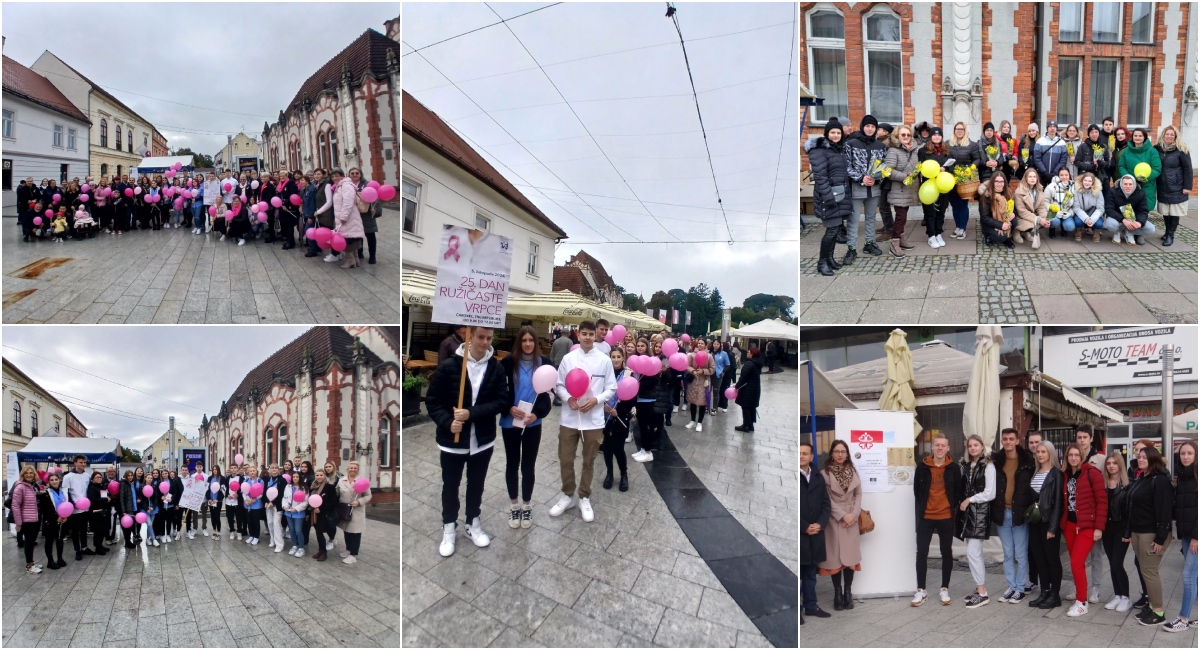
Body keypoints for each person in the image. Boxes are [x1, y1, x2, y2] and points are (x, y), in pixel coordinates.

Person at [426, 326, 508, 556]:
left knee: (476, 484)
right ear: (469, 337)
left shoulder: (495, 368)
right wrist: (447, 421)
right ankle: (449, 526)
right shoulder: (450, 367)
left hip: (482, 440)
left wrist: (471, 413)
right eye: (480, 337)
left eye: (489, 338)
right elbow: (433, 402)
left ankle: (473, 522)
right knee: (450, 485)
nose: (485, 342)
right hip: (452, 441)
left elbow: (501, 400)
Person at [551, 320, 617, 523]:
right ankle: (567, 494)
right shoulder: (568, 359)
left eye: (591, 334)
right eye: (584, 334)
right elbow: (558, 384)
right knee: (565, 458)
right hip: (570, 418)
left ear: (596, 335)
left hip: (594, 419)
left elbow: (611, 388)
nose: (588, 337)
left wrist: (596, 399)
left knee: (589, 461)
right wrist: (567, 398)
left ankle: (584, 496)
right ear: (578, 335)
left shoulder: (604, 360)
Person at [499, 326, 553, 526]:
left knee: (528, 466)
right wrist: (509, 408)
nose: (528, 344)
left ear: (536, 342)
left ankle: (527, 505)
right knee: (512, 464)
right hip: (510, 422)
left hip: (532, 423)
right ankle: (514, 506)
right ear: (519, 342)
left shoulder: (544, 363)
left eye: (531, 340)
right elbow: (499, 392)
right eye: (524, 340)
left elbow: (548, 395)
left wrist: (537, 414)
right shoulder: (507, 363)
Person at [1125, 445, 1175, 626]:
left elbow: (1165, 510)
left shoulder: (1159, 480)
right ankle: (1152, 606)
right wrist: (1129, 531)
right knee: (1145, 571)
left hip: (1151, 533)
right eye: (1139, 456)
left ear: (1153, 459)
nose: (1140, 459)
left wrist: (1160, 538)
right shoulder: (1142, 478)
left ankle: (1159, 612)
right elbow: (1132, 507)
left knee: (1149, 572)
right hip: (1138, 532)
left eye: (1144, 457)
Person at [912, 434, 962, 607]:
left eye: (943, 446)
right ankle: (921, 590)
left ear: (948, 449)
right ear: (932, 447)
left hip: (946, 517)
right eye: (937, 445)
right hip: (926, 516)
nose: (940, 448)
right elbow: (917, 492)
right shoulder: (922, 467)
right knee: (922, 553)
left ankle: (944, 589)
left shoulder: (954, 469)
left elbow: (958, 491)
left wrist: (950, 507)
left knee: (946, 553)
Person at [1060, 443, 1108, 617]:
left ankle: (1082, 602)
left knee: (1076, 563)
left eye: (1076, 455)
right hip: (1070, 526)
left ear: (1082, 456)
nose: (1073, 458)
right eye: (1070, 455)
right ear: (1067, 457)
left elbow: (1102, 501)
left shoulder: (1092, 474)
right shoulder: (1064, 475)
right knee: (1075, 563)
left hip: (1087, 526)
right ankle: (1079, 594)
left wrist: (1099, 528)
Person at [990, 428, 1034, 604]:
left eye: (1011, 439)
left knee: (1021, 554)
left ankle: (1021, 588)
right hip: (1002, 512)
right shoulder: (996, 461)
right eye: (1005, 439)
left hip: (1020, 513)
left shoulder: (1028, 460)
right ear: (1002, 441)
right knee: (1007, 553)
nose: (1007, 442)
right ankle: (1011, 586)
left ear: (1017, 441)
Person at [819, 440, 862, 611]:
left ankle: (848, 592)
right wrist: (842, 515)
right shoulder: (824, 474)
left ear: (847, 454)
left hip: (851, 519)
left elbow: (858, 494)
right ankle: (837, 593)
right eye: (836, 451)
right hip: (834, 519)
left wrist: (853, 515)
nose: (840, 454)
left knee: (850, 558)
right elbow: (826, 498)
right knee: (836, 557)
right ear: (831, 453)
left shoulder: (853, 471)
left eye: (843, 451)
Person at [806, 117, 853, 276]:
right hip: (829, 197)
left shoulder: (838, 149)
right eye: (832, 132)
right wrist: (828, 198)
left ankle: (829, 259)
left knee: (836, 229)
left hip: (839, 196)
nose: (835, 135)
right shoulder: (819, 150)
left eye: (838, 132)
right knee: (831, 230)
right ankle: (822, 262)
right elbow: (820, 177)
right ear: (826, 133)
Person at [956, 434, 996, 609]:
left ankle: (982, 593)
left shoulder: (988, 465)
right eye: (970, 445)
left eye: (976, 445)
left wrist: (970, 500)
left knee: (973, 552)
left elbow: (990, 493)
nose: (972, 448)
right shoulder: (965, 465)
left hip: (979, 513)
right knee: (974, 552)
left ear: (982, 446)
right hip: (967, 514)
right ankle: (979, 588)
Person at [842, 114, 887, 262]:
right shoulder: (851, 144)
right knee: (854, 219)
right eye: (867, 126)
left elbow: (884, 167)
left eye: (873, 126)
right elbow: (846, 166)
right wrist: (861, 177)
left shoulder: (880, 146)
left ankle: (869, 243)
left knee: (871, 217)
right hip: (856, 188)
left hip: (873, 188)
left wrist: (877, 177)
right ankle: (851, 248)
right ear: (862, 127)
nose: (870, 129)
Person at [1164, 441, 1197, 632]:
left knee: (1188, 575)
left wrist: (1196, 536)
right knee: (1195, 576)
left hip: (1195, 536)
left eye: (1190, 453)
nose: (1185, 456)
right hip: (1186, 535)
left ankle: (1183, 619)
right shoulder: (1182, 477)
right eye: (1183, 453)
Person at [1026, 441, 1063, 609]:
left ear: (1050, 453)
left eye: (1043, 451)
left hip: (1048, 522)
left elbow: (1058, 503)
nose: (1040, 454)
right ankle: (1044, 591)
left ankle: (1055, 595)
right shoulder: (1035, 472)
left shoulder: (1056, 473)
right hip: (1035, 522)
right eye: (1038, 452)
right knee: (1039, 559)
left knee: (1052, 560)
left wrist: (1053, 528)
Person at [1074, 425, 1107, 603]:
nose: (1081, 440)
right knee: (1077, 556)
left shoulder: (1100, 460)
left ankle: (1095, 588)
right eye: (1079, 437)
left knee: (1095, 554)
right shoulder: (1072, 457)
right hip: (1077, 517)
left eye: (1085, 437)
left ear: (1091, 438)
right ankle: (1077, 586)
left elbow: (1103, 492)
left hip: (1093, 517)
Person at [800, 441, 831, 623]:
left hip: (816, 534)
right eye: (799, 453)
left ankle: (811, 606)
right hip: (801, 535)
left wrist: (820, 524)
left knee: (811, 574)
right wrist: (804, 526)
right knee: (798, 575)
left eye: (805, 453)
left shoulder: (818, 477)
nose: (802, 456)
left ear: (812, 456)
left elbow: (826, 505)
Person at [1102, 451, 1135, 613]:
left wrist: (1128, 533)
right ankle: (1118, 595)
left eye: (1114, 463)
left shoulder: (1127, 485)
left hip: (1121, 528)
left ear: (1120, 465)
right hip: (1107, 528)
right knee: (1111, 563)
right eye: (1108, 463)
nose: (1111, 466)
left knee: (1117, 563)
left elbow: (1130, 512)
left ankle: (1126, 597)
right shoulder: (1103, 483)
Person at [882, 125, 921, 257]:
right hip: (898, 189)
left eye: (908, 135)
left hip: (910, 188)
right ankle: (894, 242)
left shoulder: (914, 151)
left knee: (903, 216)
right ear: (897, 136)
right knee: (901, 217)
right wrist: (905, 177)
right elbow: (887, 171)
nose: (906, 137)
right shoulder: (893, 151)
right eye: (903, 135)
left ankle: (902, 239)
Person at [601, 347, 633, 491]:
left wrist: (618, 411)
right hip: (605, 417)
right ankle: (609, 474)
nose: (615, 359)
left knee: (618, 448)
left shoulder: (628, 374)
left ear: (623, 357)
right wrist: (602, 405)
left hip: (620, 417)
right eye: (613, 357)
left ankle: (623, 474)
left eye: (618, 356)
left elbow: (632, 397)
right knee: (607, 447)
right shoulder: (605, 373)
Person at [1154, 125, 1192, 247]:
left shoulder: (1181, 150)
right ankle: (1167, 231)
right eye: (1167, 134)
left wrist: (1187, 186)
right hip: (1162, 185)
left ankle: (1171, 234)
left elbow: (1188, 170)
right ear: (1163, 135)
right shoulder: (1157, 149)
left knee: (1174, 212)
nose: (1169, 136)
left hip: (1177, 186)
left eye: (1172, 134)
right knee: (1166, 211)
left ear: (1175, 136)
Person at [632, 338, 668, 462]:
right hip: (638, 397)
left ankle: (648, 451)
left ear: (647, 347)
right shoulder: (635, 360)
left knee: (645, 425)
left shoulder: (651, 361)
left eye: (642, 345)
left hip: (647, 398)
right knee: (641, 425)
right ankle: (642, 449)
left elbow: (654, 380)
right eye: (638, 345)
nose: (640, 347)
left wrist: (637, 384)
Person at [945, 121, 982, 240]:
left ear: (965, 131)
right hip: (950, 179)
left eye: (961, 129)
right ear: (954, 130)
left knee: (963, 204)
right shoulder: (947, 144)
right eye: (957, 129)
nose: (959, 131)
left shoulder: (972, 145)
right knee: (954, 205)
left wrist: (971, 168)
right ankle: (957, 228)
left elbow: (977, 159)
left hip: (964, 180)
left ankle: (963, 228)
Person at [918, 126, 952, 248]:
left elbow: (952, 166)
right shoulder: (923, 151)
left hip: (942, 185)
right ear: (930, 137)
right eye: (934, 135)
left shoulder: (946, 150)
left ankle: (939, 233)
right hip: (929, 186)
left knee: (941, 211)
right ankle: (931, 235)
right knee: (930, 212)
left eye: (939, 135)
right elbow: (920, 168)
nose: (936, 137)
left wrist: (946, 168)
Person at [1117, 127, 1163, 216]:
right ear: (1132, 137)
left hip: (1147, 185)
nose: (1137, 138)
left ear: (1145, 137)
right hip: (1130, 185)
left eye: (1140, 136)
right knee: (1128, 210)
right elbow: (1122, 166)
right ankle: (1128, 228)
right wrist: (1129, 179)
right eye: (1135, 136)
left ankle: (1141, 227)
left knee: (1144, 210)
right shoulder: (1126, 152)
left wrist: (1145, 178)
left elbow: (1157, 168)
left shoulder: (1152, 151)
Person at [335, 461, 372, 564]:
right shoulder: (342, 480)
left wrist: (359, 502)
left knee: (355, 532)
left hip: (356, 510)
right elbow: (337, 492)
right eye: (351, 468)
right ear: (347, 469)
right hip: (344, 509)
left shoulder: (362, 481)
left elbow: (368, 496)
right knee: (346, 530)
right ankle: (348, 549)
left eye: (355, 468)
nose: (353, 470)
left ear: (358, 470)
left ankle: (353, 554)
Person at [1106, 174, 1155, 246]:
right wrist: (1123, 219)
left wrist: (1139, 222)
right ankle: (1117, 232)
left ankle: (1129, 232)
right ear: (1121, 184)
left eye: (1130, 184)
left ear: (1134, 184)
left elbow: (1143, 211)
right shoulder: (1113, 191)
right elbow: (1109, 209)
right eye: (1125, 184)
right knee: (1110, 224)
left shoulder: (1141, 193)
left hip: (1133, 219)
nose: (1128, 186)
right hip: (1117, 219)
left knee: (1151, 229)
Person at [60, 455, 93, 562]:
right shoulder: (68, 477)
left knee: (84, 529)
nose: (83, 464)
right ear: (75, 463)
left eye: (84, 462)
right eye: (80, 462)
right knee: (75, 530)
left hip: (86, 507)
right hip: (74, 509)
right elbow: (66, 492)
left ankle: (84, 547)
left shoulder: (87, 476)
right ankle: (77, 550)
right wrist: (72, 503)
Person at [331, 168, 365, 269]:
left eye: (337, 176)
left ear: (342, 176)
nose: (334, 178)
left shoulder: (346, 185)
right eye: (333, 176)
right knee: (350, 238)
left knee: (348, 239)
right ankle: (355, 259)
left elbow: (348, 202)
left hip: (348, 217)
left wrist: (344, 216)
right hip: (346, 217)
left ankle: (350, 260)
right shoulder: (340, 186)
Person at [12, 466, 43, 573]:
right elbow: (15, 506)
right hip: (27, 520)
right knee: (29, 543)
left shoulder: (35, 486)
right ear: (23, 475)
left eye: (31, 473)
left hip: (36, 518)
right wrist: (18, 523)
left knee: (32, 541)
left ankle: (32, 562)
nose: (29, 475)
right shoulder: (20, 487)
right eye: (26, 473)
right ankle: (29, 566)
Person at [37, 472, 70, 569]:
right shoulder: (45, 493)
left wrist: (66, 516)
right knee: (49, 541)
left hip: (63, 520)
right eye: (52, 480)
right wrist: (56, 517)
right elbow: (44, 509)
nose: (54, 481)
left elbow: (68, 505)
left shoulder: (64, 491)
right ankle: (50, 561)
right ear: (48, 482)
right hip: (50, 521)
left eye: (56, 479)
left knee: (60, 540)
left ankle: (60, 558)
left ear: (59, 480)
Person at [976, 171, 1014, 248]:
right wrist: (1000, 225)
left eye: (1001, 182)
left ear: (1005, 182)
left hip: (1005, 219)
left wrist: (1013, 214)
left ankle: (1006, 237)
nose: (999, 184)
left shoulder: (1008, 193)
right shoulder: (986, 195)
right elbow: (984, 218)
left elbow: (1013, 207)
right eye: (996, 181)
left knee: (1015, 221)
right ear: (992, 182)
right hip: (990, 223)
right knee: (1001, 237)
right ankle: (988, 236)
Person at [1012, 168, 1048, 249]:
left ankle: (1025, 233)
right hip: (1020, 216)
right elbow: (1022, 212)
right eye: (1030, 177)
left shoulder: (1039, 190)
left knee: (1043, 222)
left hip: (1031, 216)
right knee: (1032, 224)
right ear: (1025, 178)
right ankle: (1016, 231)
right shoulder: (1019, 192)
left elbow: (1041, 207)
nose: (1032, 178)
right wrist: (1038, 219)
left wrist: (1046, 218)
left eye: (1034, 177)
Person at [685, 338, 715, 431]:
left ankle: (700, 422)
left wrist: (703, 371)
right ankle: (692, 420)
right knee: (693, 401)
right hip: (694, 381)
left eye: (702, 343)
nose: (700, 345)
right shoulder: (692, 355)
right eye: (699, 343)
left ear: (706, 345)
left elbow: (712, 369)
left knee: (702, 403)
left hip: (704, 382)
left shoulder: (709, 356)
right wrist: (693, 371)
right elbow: (687, 365)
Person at [1069, 172, 1109, 243]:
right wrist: (1086, 219)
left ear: (1093, 183)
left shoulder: (1098, 192)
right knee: (1078, 222)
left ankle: (1096, 232)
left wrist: (1092, 219)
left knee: (1099, 224)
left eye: (1089, 181)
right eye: (1085, 180)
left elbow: (1100, 208)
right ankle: (1079, 231)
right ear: (1082, 181)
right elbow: (1076, 207)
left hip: (1094, 213)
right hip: (1081, 212)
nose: (1087, 183)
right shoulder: (1077, 191)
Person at [873, 122, 896, 242]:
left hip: (886, 179)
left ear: (886, 132)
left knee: (883, 205)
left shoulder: (886, 144)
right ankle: (888, 225)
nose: (877, 131)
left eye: (880, 129)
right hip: (883, 178)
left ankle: (889, 230)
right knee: (883, 205)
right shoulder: (882, 142)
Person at [1075, 124, 1114, 190]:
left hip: (1101, 178)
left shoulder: (1104, 146)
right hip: (1086, 179)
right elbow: (1077, 162)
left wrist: (1101, 163)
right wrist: (1091, 166)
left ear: (1099, 133)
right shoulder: (1083, 146)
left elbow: (1108, 163)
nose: (1094, 134)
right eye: (1092, 132)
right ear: (1088, 134)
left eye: (1096, 132)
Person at [733, 346, 762, 433]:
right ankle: (750, 425)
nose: (748, 353)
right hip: (755, 388)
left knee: (745, 406)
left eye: (749, 352)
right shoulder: (757, 364)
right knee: (751, 407)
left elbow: (743, 378)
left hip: (747, 389)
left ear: (752, 354)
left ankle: (746, 425)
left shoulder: (749, 364)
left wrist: (737, 386)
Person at [1032, 120, 1067, 186]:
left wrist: (1055, 172)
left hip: (1056, 175)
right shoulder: (1040, 141)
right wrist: (1045, 172)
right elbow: (1037, 159)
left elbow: (1063, 159)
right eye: (1050, 126)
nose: (1052, 128)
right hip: (1042, 174)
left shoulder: (1062, 142)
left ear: (1057, 128)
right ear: (1047, 128)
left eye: (1054, 126)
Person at [1043, 167, 1075, 240]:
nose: (1064, 177)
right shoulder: (1051, 187)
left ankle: (1064, 228)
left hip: (1066, 212)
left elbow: (1075, 204)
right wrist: (1054, 212)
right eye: (1062, 175)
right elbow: (1045, 201)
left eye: (1066, 175)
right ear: (1058, 176)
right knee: (1055, 221)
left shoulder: (1073, 187)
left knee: (1070, 227)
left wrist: (1070, 213)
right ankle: (1052, 228)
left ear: (1069, 175)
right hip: (1053, 211)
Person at [85, 471, 111, 556]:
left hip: (104, 511)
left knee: (103, 530)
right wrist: (105, 499)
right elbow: (92, 499)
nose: (99, 479)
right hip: (96, 512)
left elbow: (105, 496)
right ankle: (97, 547)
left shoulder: (102, 486)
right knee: (98, 531)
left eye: (100, 477)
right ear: (93, 479)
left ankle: (100, 545)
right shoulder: (91, 488)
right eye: (97, 477)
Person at [283, 472, 308, 557]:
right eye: (293, 476)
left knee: (298, 530)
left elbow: (305, 502)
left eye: (297, 476)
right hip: (288, 512)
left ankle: (301, 548)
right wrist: (284, 505)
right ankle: (294, 546)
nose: (295, 478)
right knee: (291, 530)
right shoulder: (288, 486)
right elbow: (285, 498)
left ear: (300, 478)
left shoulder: (304, 488)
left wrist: (296, 509)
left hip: (298, 513)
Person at [118, 470, 144, 549]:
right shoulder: (123, 484)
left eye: (131, 475)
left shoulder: (132, 484)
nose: (130, 477)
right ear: (126, 476)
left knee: (131, 526)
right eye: (128, 475)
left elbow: (133, 495)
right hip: (127, 510)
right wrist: (123, 511)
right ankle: (127, 542)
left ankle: (129, 541)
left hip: (133, 508)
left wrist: (137, 499)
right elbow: (121, 498)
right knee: (127, 527)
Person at [264, 464, 286, 552]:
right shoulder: (266, 480)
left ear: (279, 470)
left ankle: (279, 544)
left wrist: (273, 502)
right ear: (269, 470)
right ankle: (272, 539)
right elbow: (264, 492)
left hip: (277, 505)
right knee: (270, 523)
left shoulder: (282, 480)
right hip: (268, 505)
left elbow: (281, 494)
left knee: (276, 524)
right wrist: (265, 502)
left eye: (276, 468)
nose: (274, 469)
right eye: (272, 468)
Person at [243, 466, 264, 545]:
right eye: (250, 471)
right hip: (248, 504)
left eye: (253, 471)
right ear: (248, 472)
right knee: (249, 521)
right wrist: (245, 500)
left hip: (256, 504)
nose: (252, 472)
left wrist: (255, 499)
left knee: (256, 521)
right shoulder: (246, 480)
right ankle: (251, 535)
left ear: (256, 472)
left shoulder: (260, 481)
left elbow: (261, 493)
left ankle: (256, 536)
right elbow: (243, 492)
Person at [712, 340, 732, 414]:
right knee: (707, 391)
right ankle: (706, 406)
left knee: (716, 392)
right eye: (714, 344)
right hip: (709, 374)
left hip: (718, 374)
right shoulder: (710, 353)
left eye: (718, 344)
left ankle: (714, 407)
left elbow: (728, 364)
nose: (716, 345)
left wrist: (722, 372)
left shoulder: (724, 354)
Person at [206, 465, 223, 539]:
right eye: (213, 469)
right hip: (211, 501)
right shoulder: (209, 478)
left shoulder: (222, 478)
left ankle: (218, 532)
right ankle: (214, 531)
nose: (214, 471)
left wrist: (218, 499)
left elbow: (223, 491)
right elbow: (207, 490)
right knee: (212, 516)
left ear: (218, 470)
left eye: (216, 469)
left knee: (217, 516)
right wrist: (209, 499)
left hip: (218, 501)